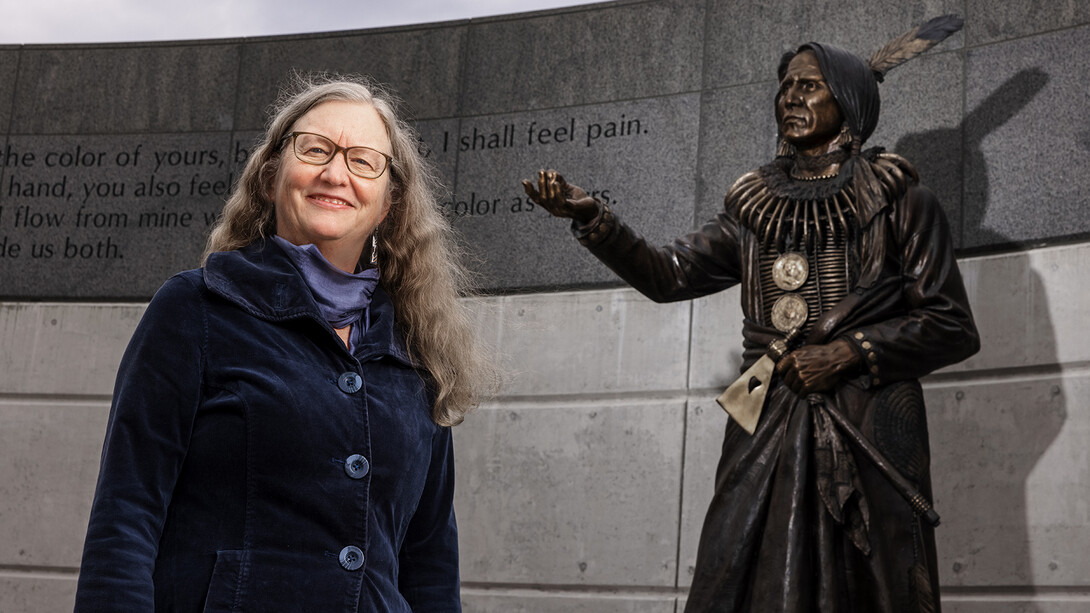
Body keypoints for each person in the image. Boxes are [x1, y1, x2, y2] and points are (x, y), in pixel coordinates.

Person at [524, 17, 977, 613]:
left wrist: (847, 352)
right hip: (761, 404)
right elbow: (669, 275)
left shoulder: (902, 201)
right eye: (785, 87)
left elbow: (951, 324)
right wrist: (593, 218)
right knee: (739, 564)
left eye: (809, 86)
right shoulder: (754, 208)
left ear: (850, 101)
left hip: (865, 414)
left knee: (868, 579)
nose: (791, 97)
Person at [75, 74, 496, 612]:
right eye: (315, 148)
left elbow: (431, 561)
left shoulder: (417, 350)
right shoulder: (195, 309)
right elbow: (125, 514)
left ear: (388, 204)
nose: (334, 172)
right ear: (273, 174)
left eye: (363, 160)